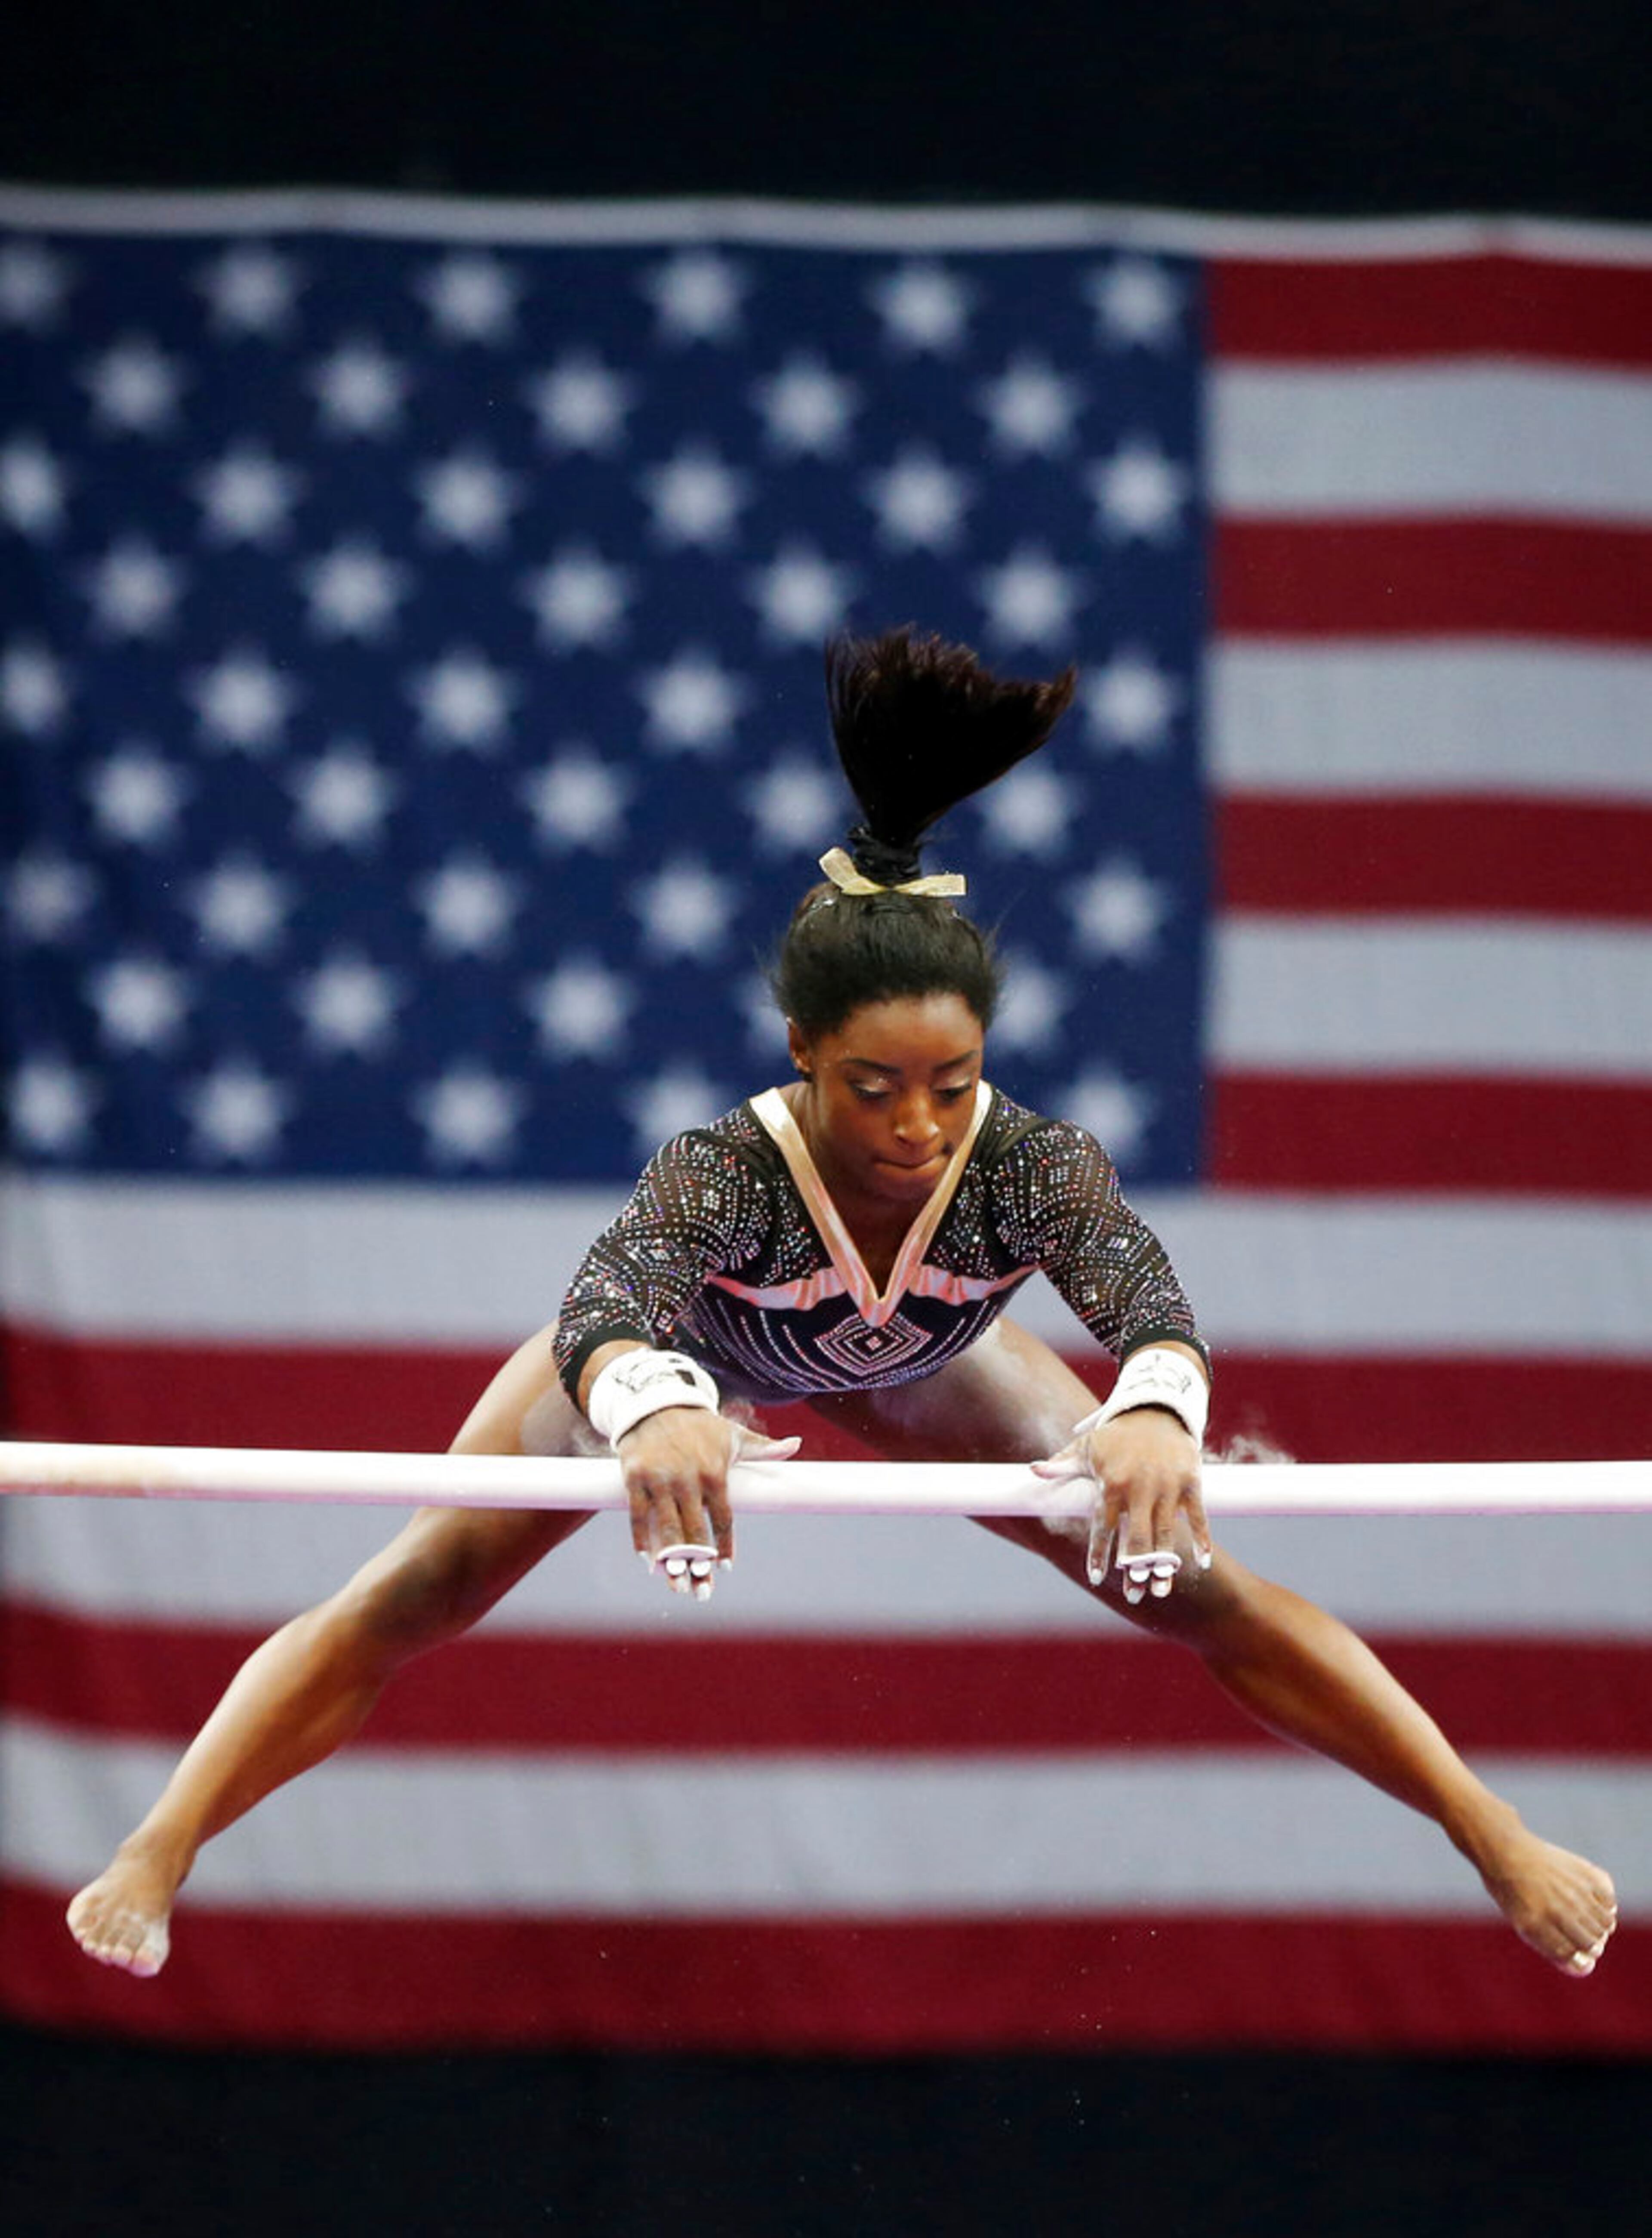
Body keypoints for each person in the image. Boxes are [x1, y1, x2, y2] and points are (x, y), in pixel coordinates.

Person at [68, 627, 1617, 1985]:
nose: (919, 1127)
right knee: (415, 1587)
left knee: (1189, 1575)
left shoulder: (1032, 1168)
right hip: (697, 1348)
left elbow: (1146, 1294)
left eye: (952, 1083)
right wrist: (659, 1404)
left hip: (925, 1364)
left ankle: (1489, 1831)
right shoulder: (725, 1175)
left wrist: (1155, 1402)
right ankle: (159, 1846)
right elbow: (608, 1301)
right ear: (802, 1051)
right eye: (874, 1087)